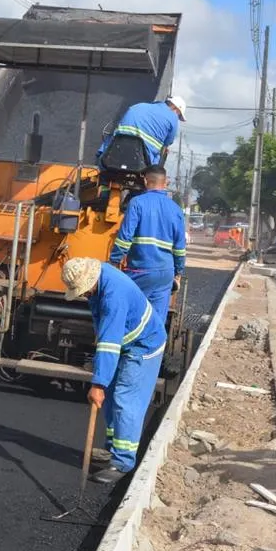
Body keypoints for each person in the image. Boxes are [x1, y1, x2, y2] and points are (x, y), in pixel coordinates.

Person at [62, 257, 167, 484]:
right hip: (126, 343)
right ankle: (113, 448)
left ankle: (122, 462)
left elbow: (110, 342)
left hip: (143, 346)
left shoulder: (113, 296)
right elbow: (104, 332)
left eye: (83, 291)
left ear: (90, 281)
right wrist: (102, 370)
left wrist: (98, 383)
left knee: (124, 399)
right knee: (109, 399)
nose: (83, 295)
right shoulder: (100, 282)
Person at [109, 166, 187, 327]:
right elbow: (180, 248)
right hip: (165, 273)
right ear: (166, 182)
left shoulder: (137, 203)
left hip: (140, 270)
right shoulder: (176, 210)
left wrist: (114, 261)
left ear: (145, 181)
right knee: (156, 322)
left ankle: (129, 350)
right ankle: (153, 351)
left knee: (131, 317)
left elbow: (125, 237)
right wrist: (178, 271)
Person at [96, 96, 187, 168]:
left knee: (111, 138)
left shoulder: (138, 106)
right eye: (179, 115)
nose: (177, 118)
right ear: (176, 109)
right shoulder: (173, 118)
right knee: (162, 153)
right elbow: (168, 142)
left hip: (114, 152)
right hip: (142, 160)